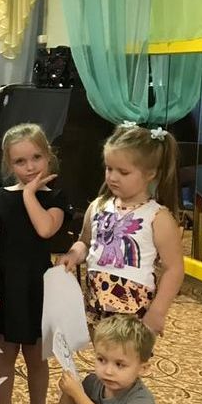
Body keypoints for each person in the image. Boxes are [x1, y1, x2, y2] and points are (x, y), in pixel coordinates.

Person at [0, 124, 70, 404]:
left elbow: (45, 229)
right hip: (7, 286)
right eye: (20, 161)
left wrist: (29, 194)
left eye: (36, 157)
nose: (30, 167)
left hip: (37, 288)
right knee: (4, 356)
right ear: (9, 164)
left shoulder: (56, 197)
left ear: (48, 156)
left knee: (37, 359)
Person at [57, 124, 184, 335]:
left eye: (123, 172)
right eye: (109, 168)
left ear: (150, 173)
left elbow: (174, 268)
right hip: (96, 300)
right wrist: (73, 254)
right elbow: (86, 242)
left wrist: (158, 311)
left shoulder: (158, 217)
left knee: (127, 354)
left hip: (133, 310)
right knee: (102, 352)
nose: (113, 177)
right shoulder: (98, 206)